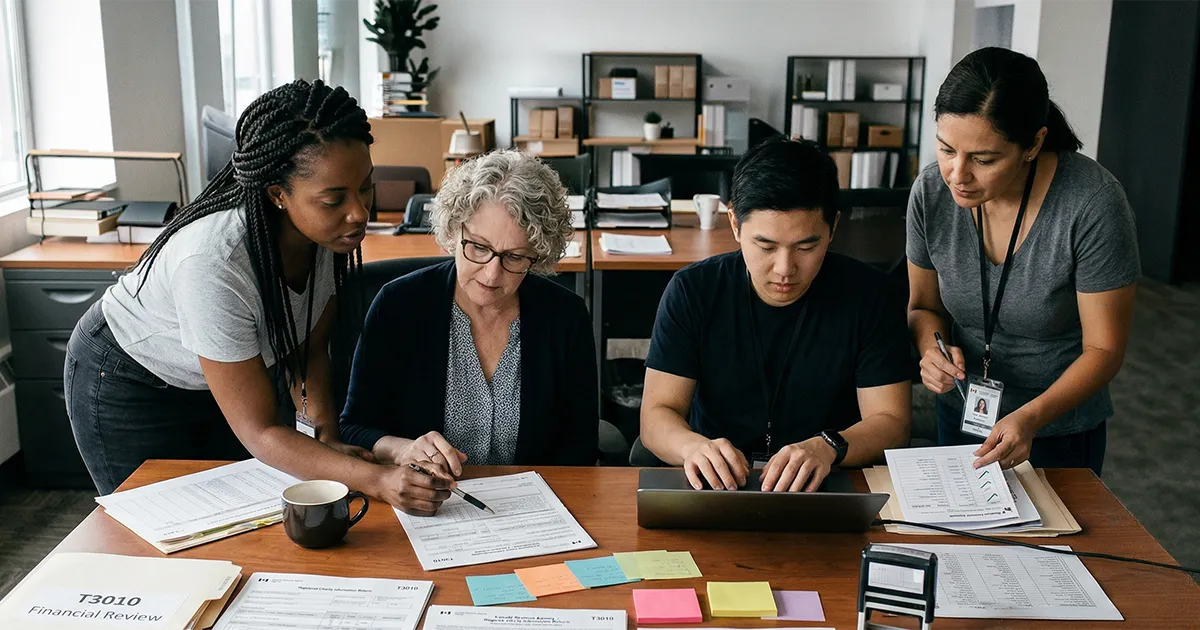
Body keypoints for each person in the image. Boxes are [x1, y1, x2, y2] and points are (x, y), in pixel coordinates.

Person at [65, 79, 455, 511]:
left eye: (365, 186)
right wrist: (377, 479)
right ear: (278, 195)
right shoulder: (214, 263)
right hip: (132, 382)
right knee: (162, 539)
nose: (359, 213)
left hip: (226, 379)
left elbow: (308, 352)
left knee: (250, 519)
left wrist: (328, 440)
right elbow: (262, 432)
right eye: (334, 199)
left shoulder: (326, 235)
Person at [907, 47, 1139, 475]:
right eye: (945, 149)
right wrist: (930, 350)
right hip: (962, 409)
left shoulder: (1092, 204)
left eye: (984, 159)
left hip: (1057, 429)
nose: (957, 174)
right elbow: (923, 307)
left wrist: (1029, 417)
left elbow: (1104, 349)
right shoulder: (930, 193)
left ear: (1033, 144)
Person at [639, 138, 912, 493]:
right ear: (735, 225)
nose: (785, 269)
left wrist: (829, 446)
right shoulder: (694, 291)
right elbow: (656, 414)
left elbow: (891, 422)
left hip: (828, 482)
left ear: (834, 227)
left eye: (806, 246)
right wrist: (692, 447)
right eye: (765, 246)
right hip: (717, 486)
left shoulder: (871, 296)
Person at [339, 149, 598, 512]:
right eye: (478, 247)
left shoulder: (565, 316)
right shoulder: (398, 306)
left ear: (538, 254)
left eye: (515, 257)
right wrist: (401, 448)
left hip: (533, 513)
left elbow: (581, 448)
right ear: (453, 231)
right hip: (423, 510)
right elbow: (352, 428)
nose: (492, 275)